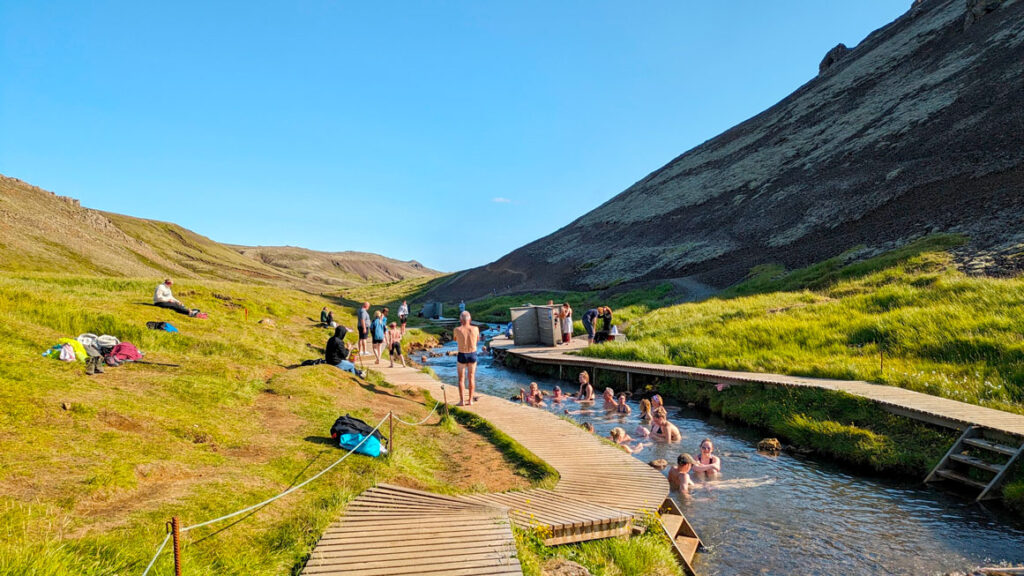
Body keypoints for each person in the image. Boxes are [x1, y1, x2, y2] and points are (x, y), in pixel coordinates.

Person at [453, 310, 480, 406]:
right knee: (471, 378)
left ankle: (462, 401)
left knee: (461, 379)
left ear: (461, 320)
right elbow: (477, 340)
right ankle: (470, 400)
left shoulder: (457, 329)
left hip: (462, 354)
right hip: (472, 353)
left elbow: (455, 339)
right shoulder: (476, 329)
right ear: (470, 319)